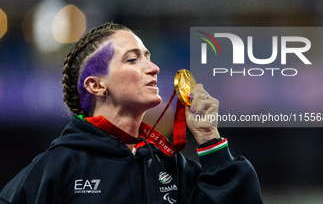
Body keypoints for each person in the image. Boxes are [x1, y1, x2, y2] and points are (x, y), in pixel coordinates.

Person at [0, 23, 263, 204]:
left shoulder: (170, 167)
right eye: (133, 59)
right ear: (97, 85)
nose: (154, 67)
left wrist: (209, 138)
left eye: (148, 56)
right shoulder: (56, 168)